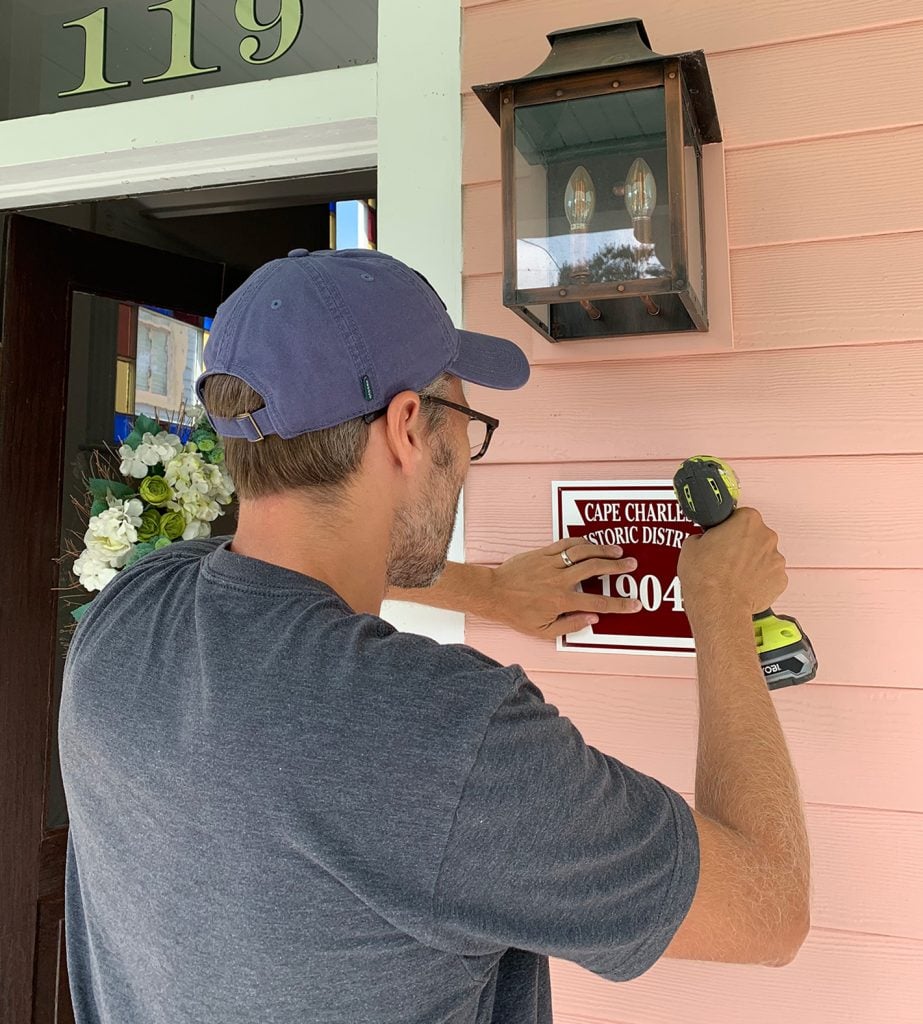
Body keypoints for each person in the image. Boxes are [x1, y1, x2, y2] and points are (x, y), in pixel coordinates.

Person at [59, 248, 810, 1024]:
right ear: (407, 428)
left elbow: (280, 569)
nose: (465, 461)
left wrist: (488, 590)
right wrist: (720, 607)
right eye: (466, 422)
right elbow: (771, 909)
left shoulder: (129, 614)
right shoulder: (447, 735)